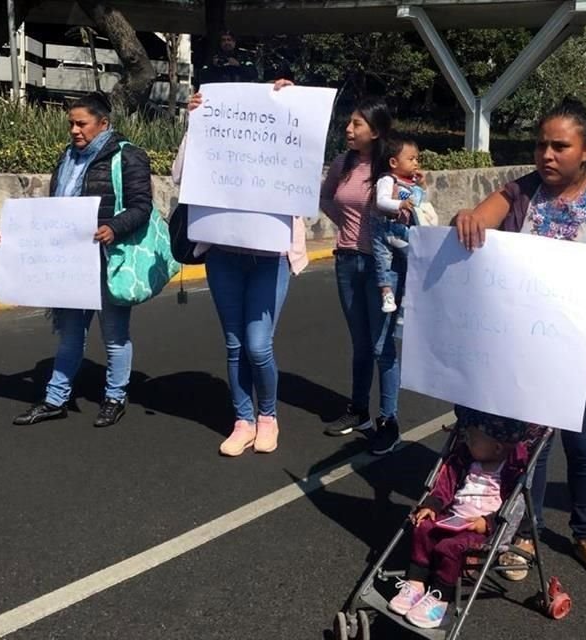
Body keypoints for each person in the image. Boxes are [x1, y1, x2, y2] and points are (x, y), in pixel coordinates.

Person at [454, 97, 586, 585]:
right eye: (541, 144)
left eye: (559, 146)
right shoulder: (518, 194)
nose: (546, 155)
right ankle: (527, 533)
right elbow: (474, 222)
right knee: (534, 449)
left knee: (584, 447)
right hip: (529, 353)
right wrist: (466, 217)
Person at [0, 91, 153, 428]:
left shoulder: (128, 156)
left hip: (108, 260)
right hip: (69, 265)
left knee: (114, 335)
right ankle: (55, 399)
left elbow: (142, 206)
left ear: (103, 123)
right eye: (71, 124)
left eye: (82, 124)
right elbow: (53, 213)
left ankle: (114, 396)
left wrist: (113, 227)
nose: (74, 130)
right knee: (69, 336)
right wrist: (15, 238)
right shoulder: (67, 159)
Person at [173, 80, 307, 456]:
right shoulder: (216, 138)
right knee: (234, 345)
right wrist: (196, 124)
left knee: (258, 346)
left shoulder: (283, 142)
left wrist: (293, 106)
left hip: (270, 258)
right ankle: (242, 420)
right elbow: (181, 176)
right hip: (223, 254)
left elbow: (302, 172)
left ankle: (268, 417)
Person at [387, 407, 545, 629]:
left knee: (450, 547)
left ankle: (440, 598)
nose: (467, 441)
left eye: (473, 439)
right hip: (453, 516)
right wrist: (432, 505)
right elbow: (445, 484)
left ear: (497, 447)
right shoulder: (465, 459)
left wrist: (487, 522)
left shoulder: (510, 469)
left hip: (482, 530)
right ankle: (416, 583)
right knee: (422, 527)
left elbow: (514, 506)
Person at [320, 97, 403, 455]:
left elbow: (411, 206)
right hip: (347, 260)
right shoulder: (344, 163)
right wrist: (349, 230)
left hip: (382, 267)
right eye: (349, 123)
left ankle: (389, 420)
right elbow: (327, 198)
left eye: (357, 124)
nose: (349, 130)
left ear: (377, 131)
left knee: (383, 346)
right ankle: (359, 410)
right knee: (360, 342)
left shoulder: (392, 170)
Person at [371, 134, 425, 314]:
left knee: (415, 258)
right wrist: (400, 204)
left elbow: (419, 202)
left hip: (402, 229)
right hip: (385, 228)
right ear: (394, 162)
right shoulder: (387, 180)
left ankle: (406, 301)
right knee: (383, 261)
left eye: (417, 158)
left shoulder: (411, 183)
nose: (415, 162)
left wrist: (422, 186)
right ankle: (386, 292)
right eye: (411, 159)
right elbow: (381, 201)